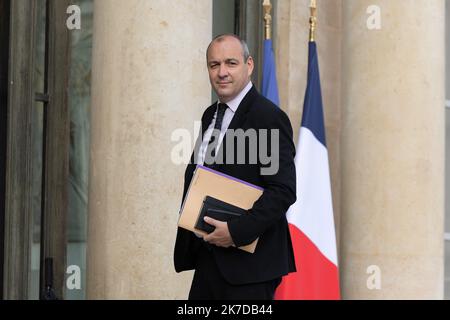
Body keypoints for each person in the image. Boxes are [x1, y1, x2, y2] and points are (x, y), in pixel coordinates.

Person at [174, 34, 296, 300]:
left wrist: (235, 232)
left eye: (231, 63)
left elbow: (282, 191)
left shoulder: (269, 117)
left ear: (249, 65)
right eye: (214, 65)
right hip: (208, 259)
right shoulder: (210, 115)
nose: (222, 72)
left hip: (250, 269)